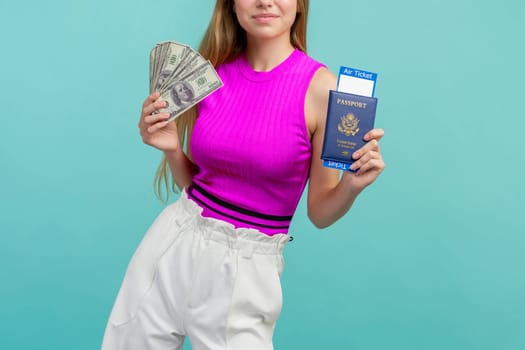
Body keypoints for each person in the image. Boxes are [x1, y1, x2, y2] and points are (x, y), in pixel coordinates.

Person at [102, 0, 385, 349]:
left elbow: (320, 213)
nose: (265, 1)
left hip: (246, 270)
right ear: (232, 5)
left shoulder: (323, 91)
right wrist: (172, 148)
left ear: (300, 4)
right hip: (172, 243)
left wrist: (352, 186)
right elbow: (201, 186)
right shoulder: (211, 73)